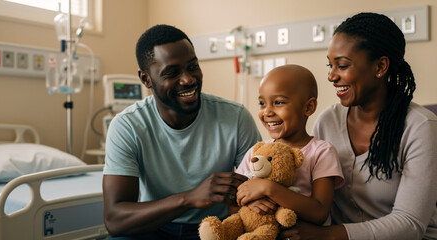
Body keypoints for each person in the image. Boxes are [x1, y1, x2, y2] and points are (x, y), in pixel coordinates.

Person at [279, 12, 437, 240]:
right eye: (330, 65)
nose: (331, 76)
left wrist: (326, 236)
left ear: (380, 66)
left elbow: (410, 224)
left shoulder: (420, 127)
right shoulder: (328, 121)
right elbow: (309, 192)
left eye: (342, 65)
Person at [102, 24, 262, 239]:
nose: (188, 79)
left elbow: (259, 190)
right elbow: (115, 219)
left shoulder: (235, 118)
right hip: (155, 227)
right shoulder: (128, 126)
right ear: (146, 79)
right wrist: (189, 198)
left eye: (192, 66)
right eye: (172, 72)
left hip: (217, 229)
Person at [235, 64, 345, 226]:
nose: (267, 112)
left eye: (278, 102)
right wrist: (248, 203)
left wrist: (269, 188)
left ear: (308, 107)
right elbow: (234, 200)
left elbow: (319, 212)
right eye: (262, 103)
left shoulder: (322, 152)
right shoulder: (257, 151)